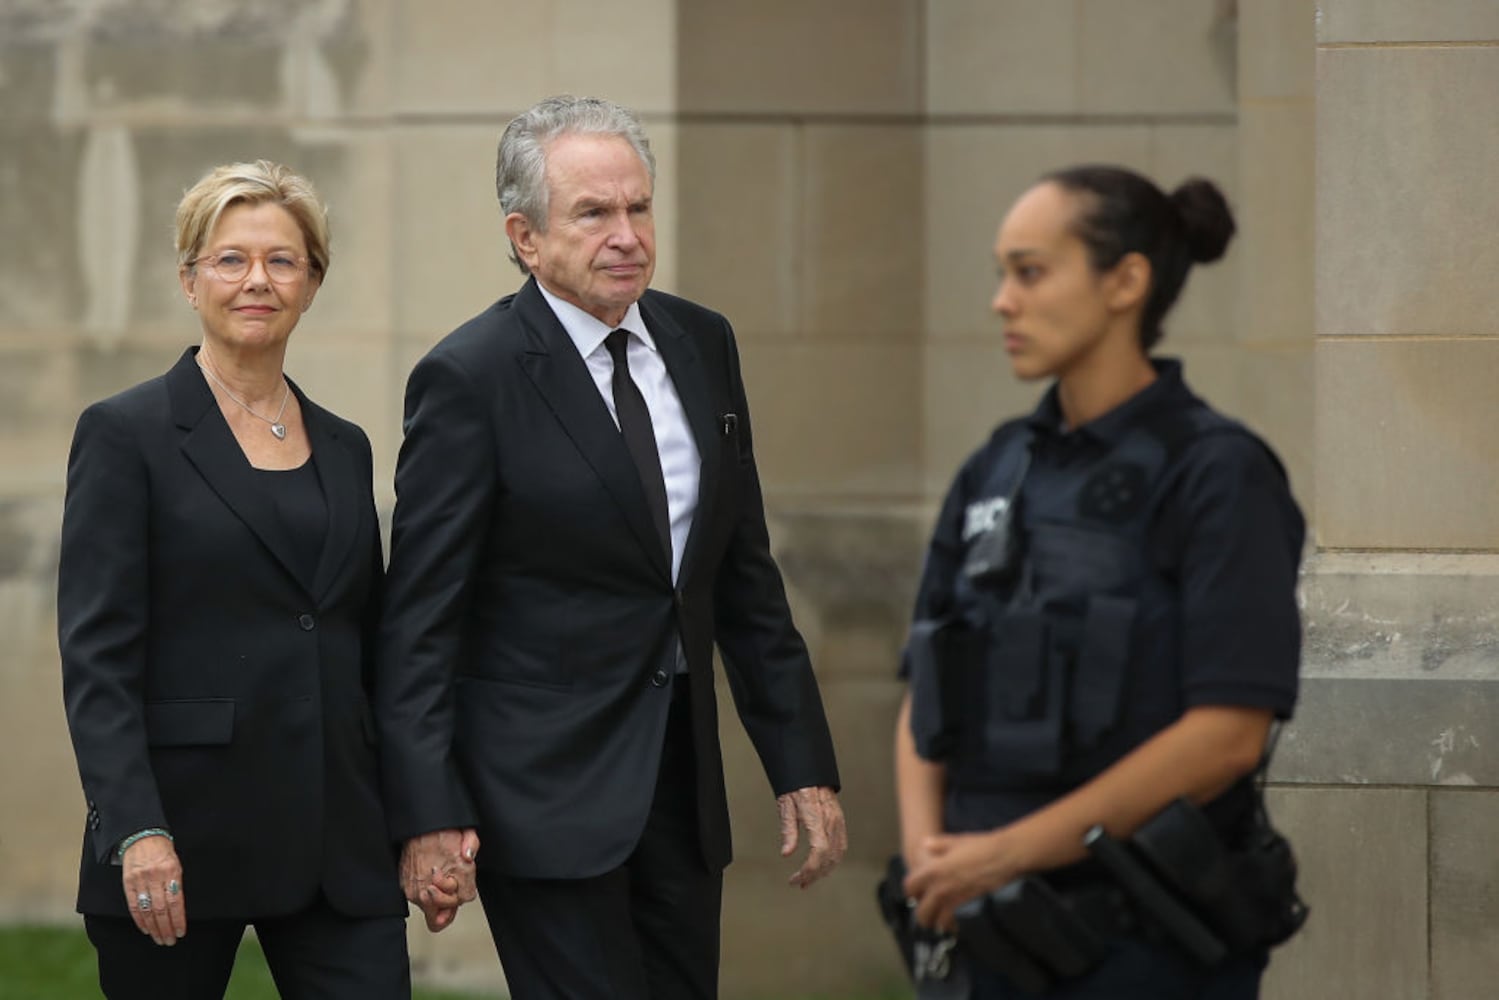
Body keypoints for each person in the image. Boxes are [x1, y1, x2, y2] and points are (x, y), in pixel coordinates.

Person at [374, 94, 848, 1000]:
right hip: (540, 795)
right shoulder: (469, 378)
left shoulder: (702, 342)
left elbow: (741, 576)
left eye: (637, 207)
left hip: (680, 791)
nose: (625, 234)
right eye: (593, 213)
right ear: (525, 237)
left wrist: (802, 767)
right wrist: (428, 813)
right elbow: (420, 621)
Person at [894, 165, 1304, 999]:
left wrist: (1004, 855)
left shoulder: (1217, 473)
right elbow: (925, 682)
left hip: (1137, 948)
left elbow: (1227, 733)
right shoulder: (997, 466)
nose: (1001, 301)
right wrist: (930, 861)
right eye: (1001, 273)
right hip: (979, 936)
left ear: (1125, 282)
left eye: (1030, 271)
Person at [58, 160, 412, 999]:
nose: (257, 279)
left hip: (338, 840)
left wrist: (420, 814)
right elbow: (97, 658)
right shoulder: (124, 434)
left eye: (283, 260)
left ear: (313, 282)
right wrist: (135, 827)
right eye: (229, 259)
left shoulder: (346, 445)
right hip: (178, 836)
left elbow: (369, 640)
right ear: (189, 280)